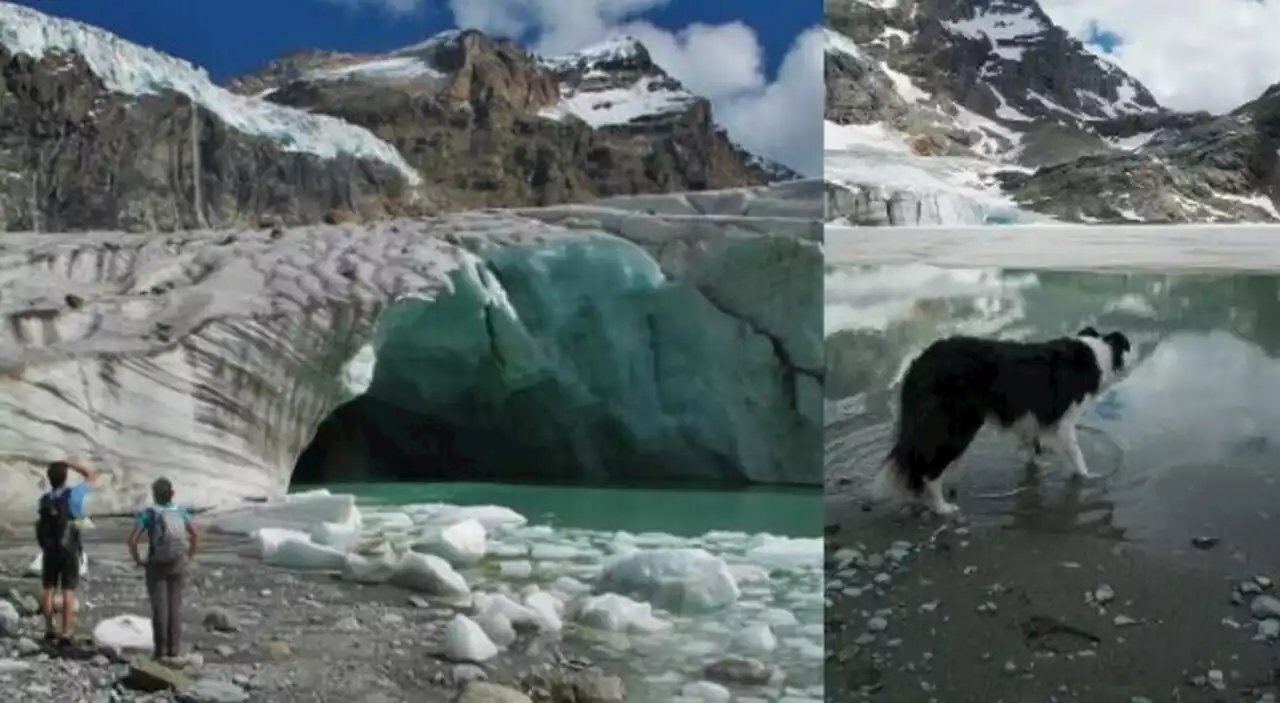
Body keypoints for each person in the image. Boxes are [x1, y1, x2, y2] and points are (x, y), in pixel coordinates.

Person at [127, 477, 199, 664]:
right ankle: (174, 650)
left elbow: (133, 540)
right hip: (178, 562)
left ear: (155, 495)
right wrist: (189, 557)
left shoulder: (149, 514)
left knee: (160, 608)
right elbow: (194, 534)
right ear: (172, 494)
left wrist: (138, 560)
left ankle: (160, 652)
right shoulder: (180, 511)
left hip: (156, 564)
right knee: (175, 607)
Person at [35, 458, 97, 646]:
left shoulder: (45, 500)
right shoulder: (74, 494)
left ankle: (49, 629)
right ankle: (66, 632)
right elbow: (91, 476)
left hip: (50, 549)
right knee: (68, 590)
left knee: (48, 588)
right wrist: (71, 464)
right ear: (65, 477)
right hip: (69, 547)